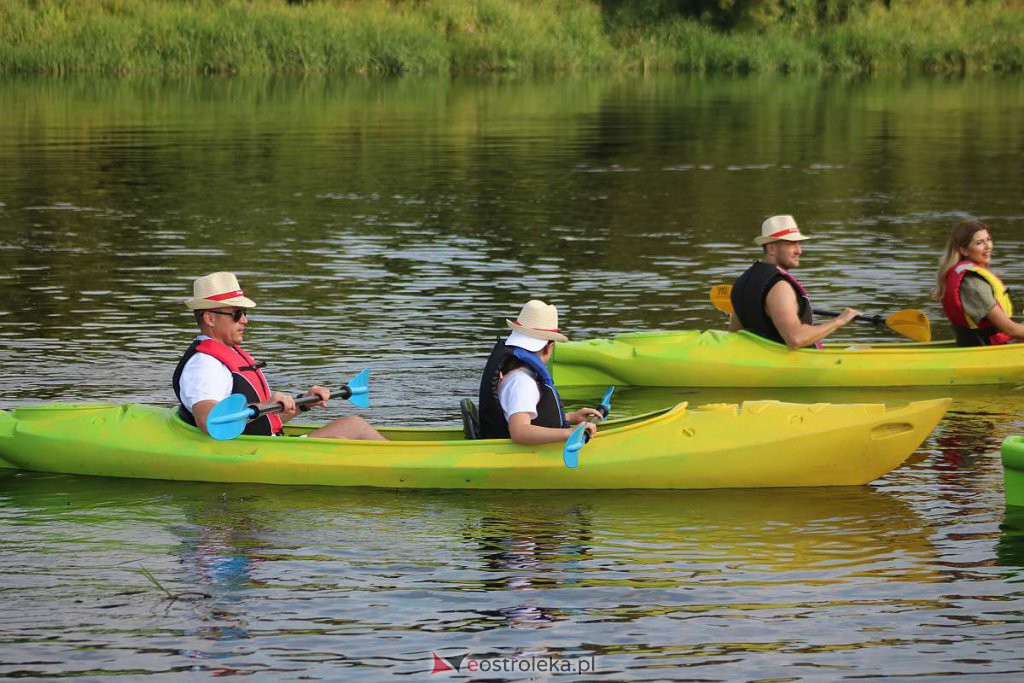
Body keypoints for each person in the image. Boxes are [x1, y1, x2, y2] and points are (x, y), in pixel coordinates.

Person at [172, 271, 384, 440]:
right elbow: (210, 422)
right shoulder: (205, 365)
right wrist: (263, 407)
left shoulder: (229, 354)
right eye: (237, 314)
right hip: (247, 454)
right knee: (348, 433)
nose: (244, 320)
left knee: (352, 424)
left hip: (266, 444)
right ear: (209, 318)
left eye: (245, 313)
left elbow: (261, 420)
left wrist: (303, 402)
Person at [478, 300, 603, 444]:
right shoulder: (522, 382)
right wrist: (568, 433)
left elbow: (519, 414)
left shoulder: (516, 375)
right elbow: (519, 432)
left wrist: (570, 417)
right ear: (550, 347)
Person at [728, 215, 861, 349]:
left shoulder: (742, 282)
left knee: (862, 349)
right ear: (771, 249)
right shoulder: (780, 287)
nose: (799, 251)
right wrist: (839, 321)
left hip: (763, 360)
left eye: (799, 243)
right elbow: (796, 339)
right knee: (863, 349)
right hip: (797, 363)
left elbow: (734, 333)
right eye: (791, 244)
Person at [934, 218, 1024, 346]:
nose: (988, 246)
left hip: (993, 342)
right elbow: (1011, 330)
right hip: (990, 348)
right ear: (964, 250)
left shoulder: (971, 275)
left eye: (988, 240)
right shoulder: (973, 283)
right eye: (980, 243)